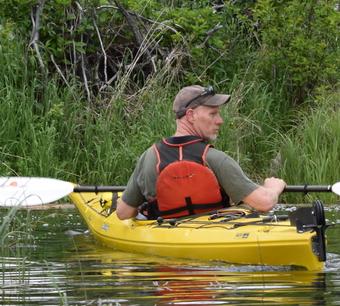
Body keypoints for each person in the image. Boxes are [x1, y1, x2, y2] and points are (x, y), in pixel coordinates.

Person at [115, 84, 286, 220]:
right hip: (214, 241)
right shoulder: (215, 159)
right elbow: (264, 202)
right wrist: (273, 188)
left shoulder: (149, 157)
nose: (220, 121)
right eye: (213, 114)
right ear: (190, 116)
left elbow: (123, 213)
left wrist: (143, 204)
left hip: (166, 243)